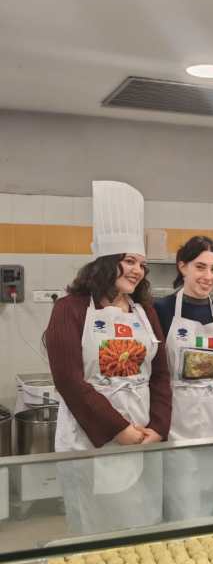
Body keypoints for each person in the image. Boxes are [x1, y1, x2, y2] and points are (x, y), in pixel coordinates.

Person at [45, 180, 171, 533]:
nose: (137, 271)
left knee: (140, 527)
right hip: (92, 438)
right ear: (105, 262)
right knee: (94, 530)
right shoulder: (69, 310)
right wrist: (118, 429)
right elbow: (69, 381)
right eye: (129, 261)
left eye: (142, 264)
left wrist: (158, 427)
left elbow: (161, 374)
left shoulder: (145, 311)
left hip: (144, 436)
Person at [155, 235, 213, 519]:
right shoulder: (161, 310)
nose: (208, 276)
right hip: (177, 419)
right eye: (200, 267)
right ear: (182, 266)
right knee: (181, 504)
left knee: (210, 497)